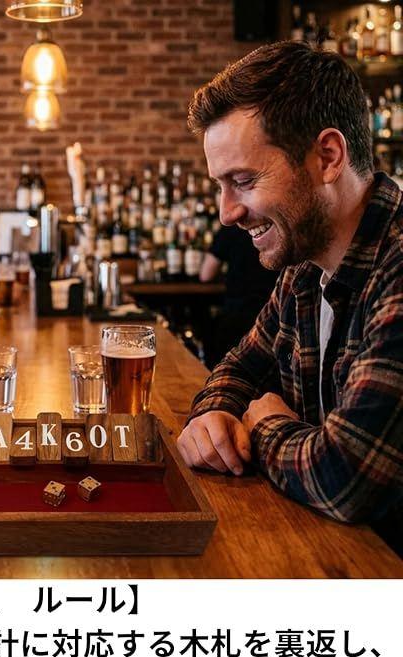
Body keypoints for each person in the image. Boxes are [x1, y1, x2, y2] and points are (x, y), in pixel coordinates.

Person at [178, 41, 402, 556]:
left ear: (328, 157)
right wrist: (213, 417)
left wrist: (263, 425)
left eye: (243, 181)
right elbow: (237, 368)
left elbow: (346, 477)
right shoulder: (304, 267)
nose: (227, 213)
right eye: (221, 186)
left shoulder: (395, 268)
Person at [199, 224, 278, 367]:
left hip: (237, 315)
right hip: (273, 316)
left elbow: (206, 274)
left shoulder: (230, 228)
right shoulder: (274, 227)